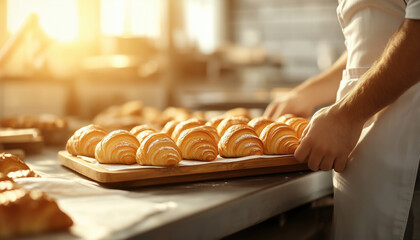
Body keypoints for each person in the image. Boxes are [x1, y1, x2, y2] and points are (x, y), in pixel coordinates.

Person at [264, 0, 420, 239]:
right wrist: (306, 94)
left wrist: (347, 116)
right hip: (368, 158)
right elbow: (376, 38)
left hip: (410, 159)